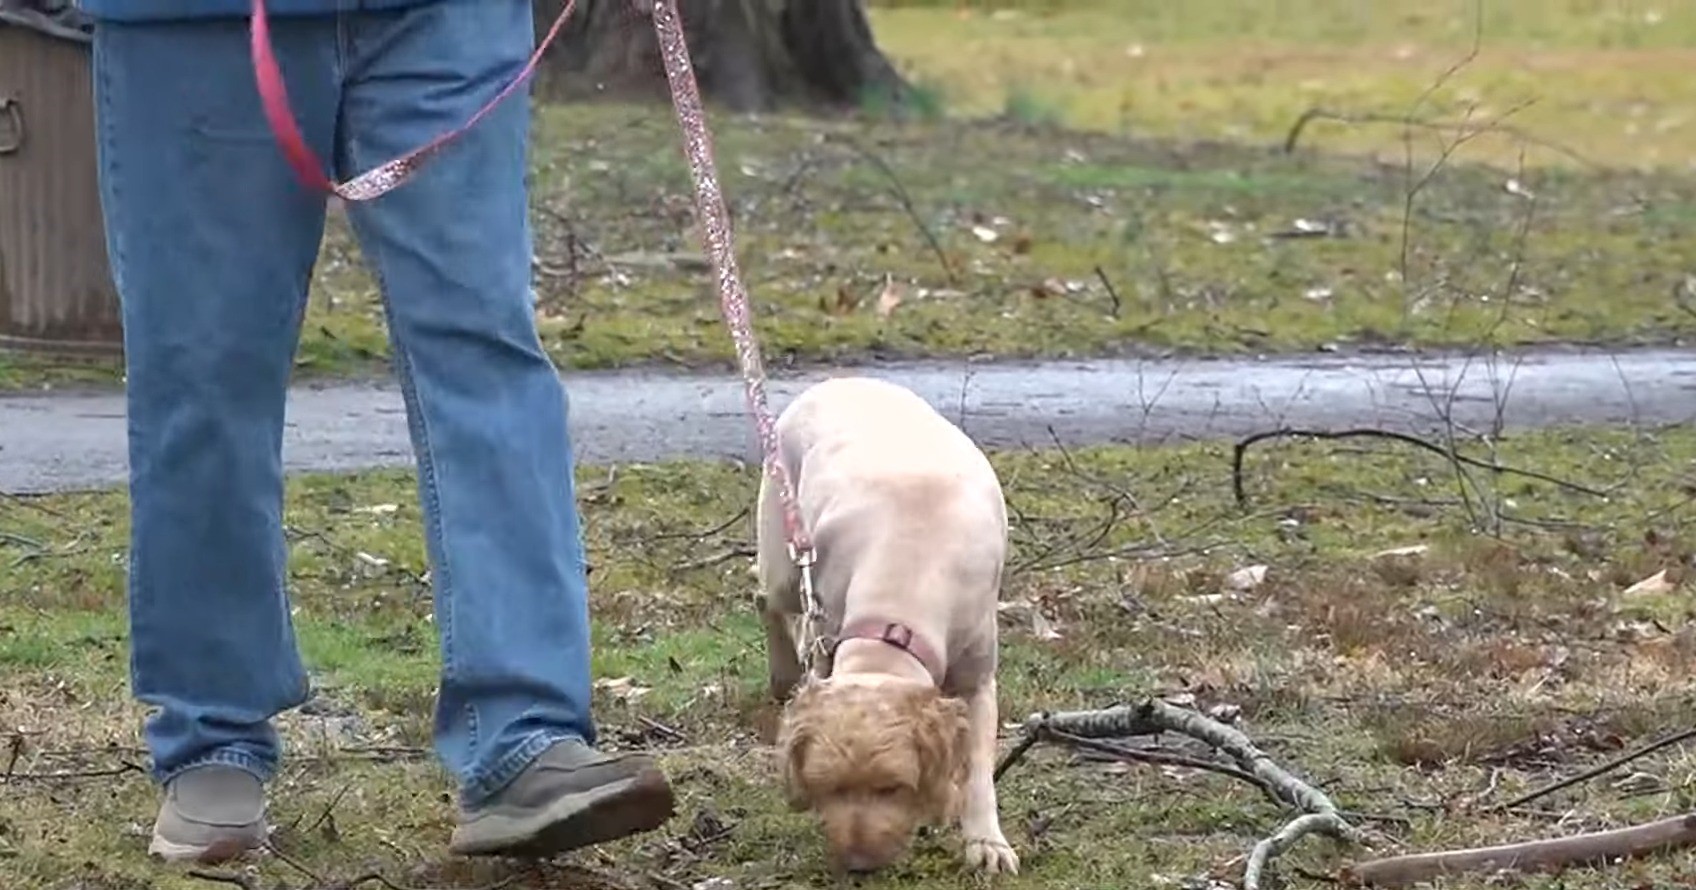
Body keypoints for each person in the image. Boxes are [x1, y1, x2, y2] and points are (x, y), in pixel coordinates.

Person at [79, 0, 676, 864]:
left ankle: (524, 734)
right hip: (197, 21)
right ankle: (212, 737)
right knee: (203, 372)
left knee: (485, 346)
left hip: (446, 17)